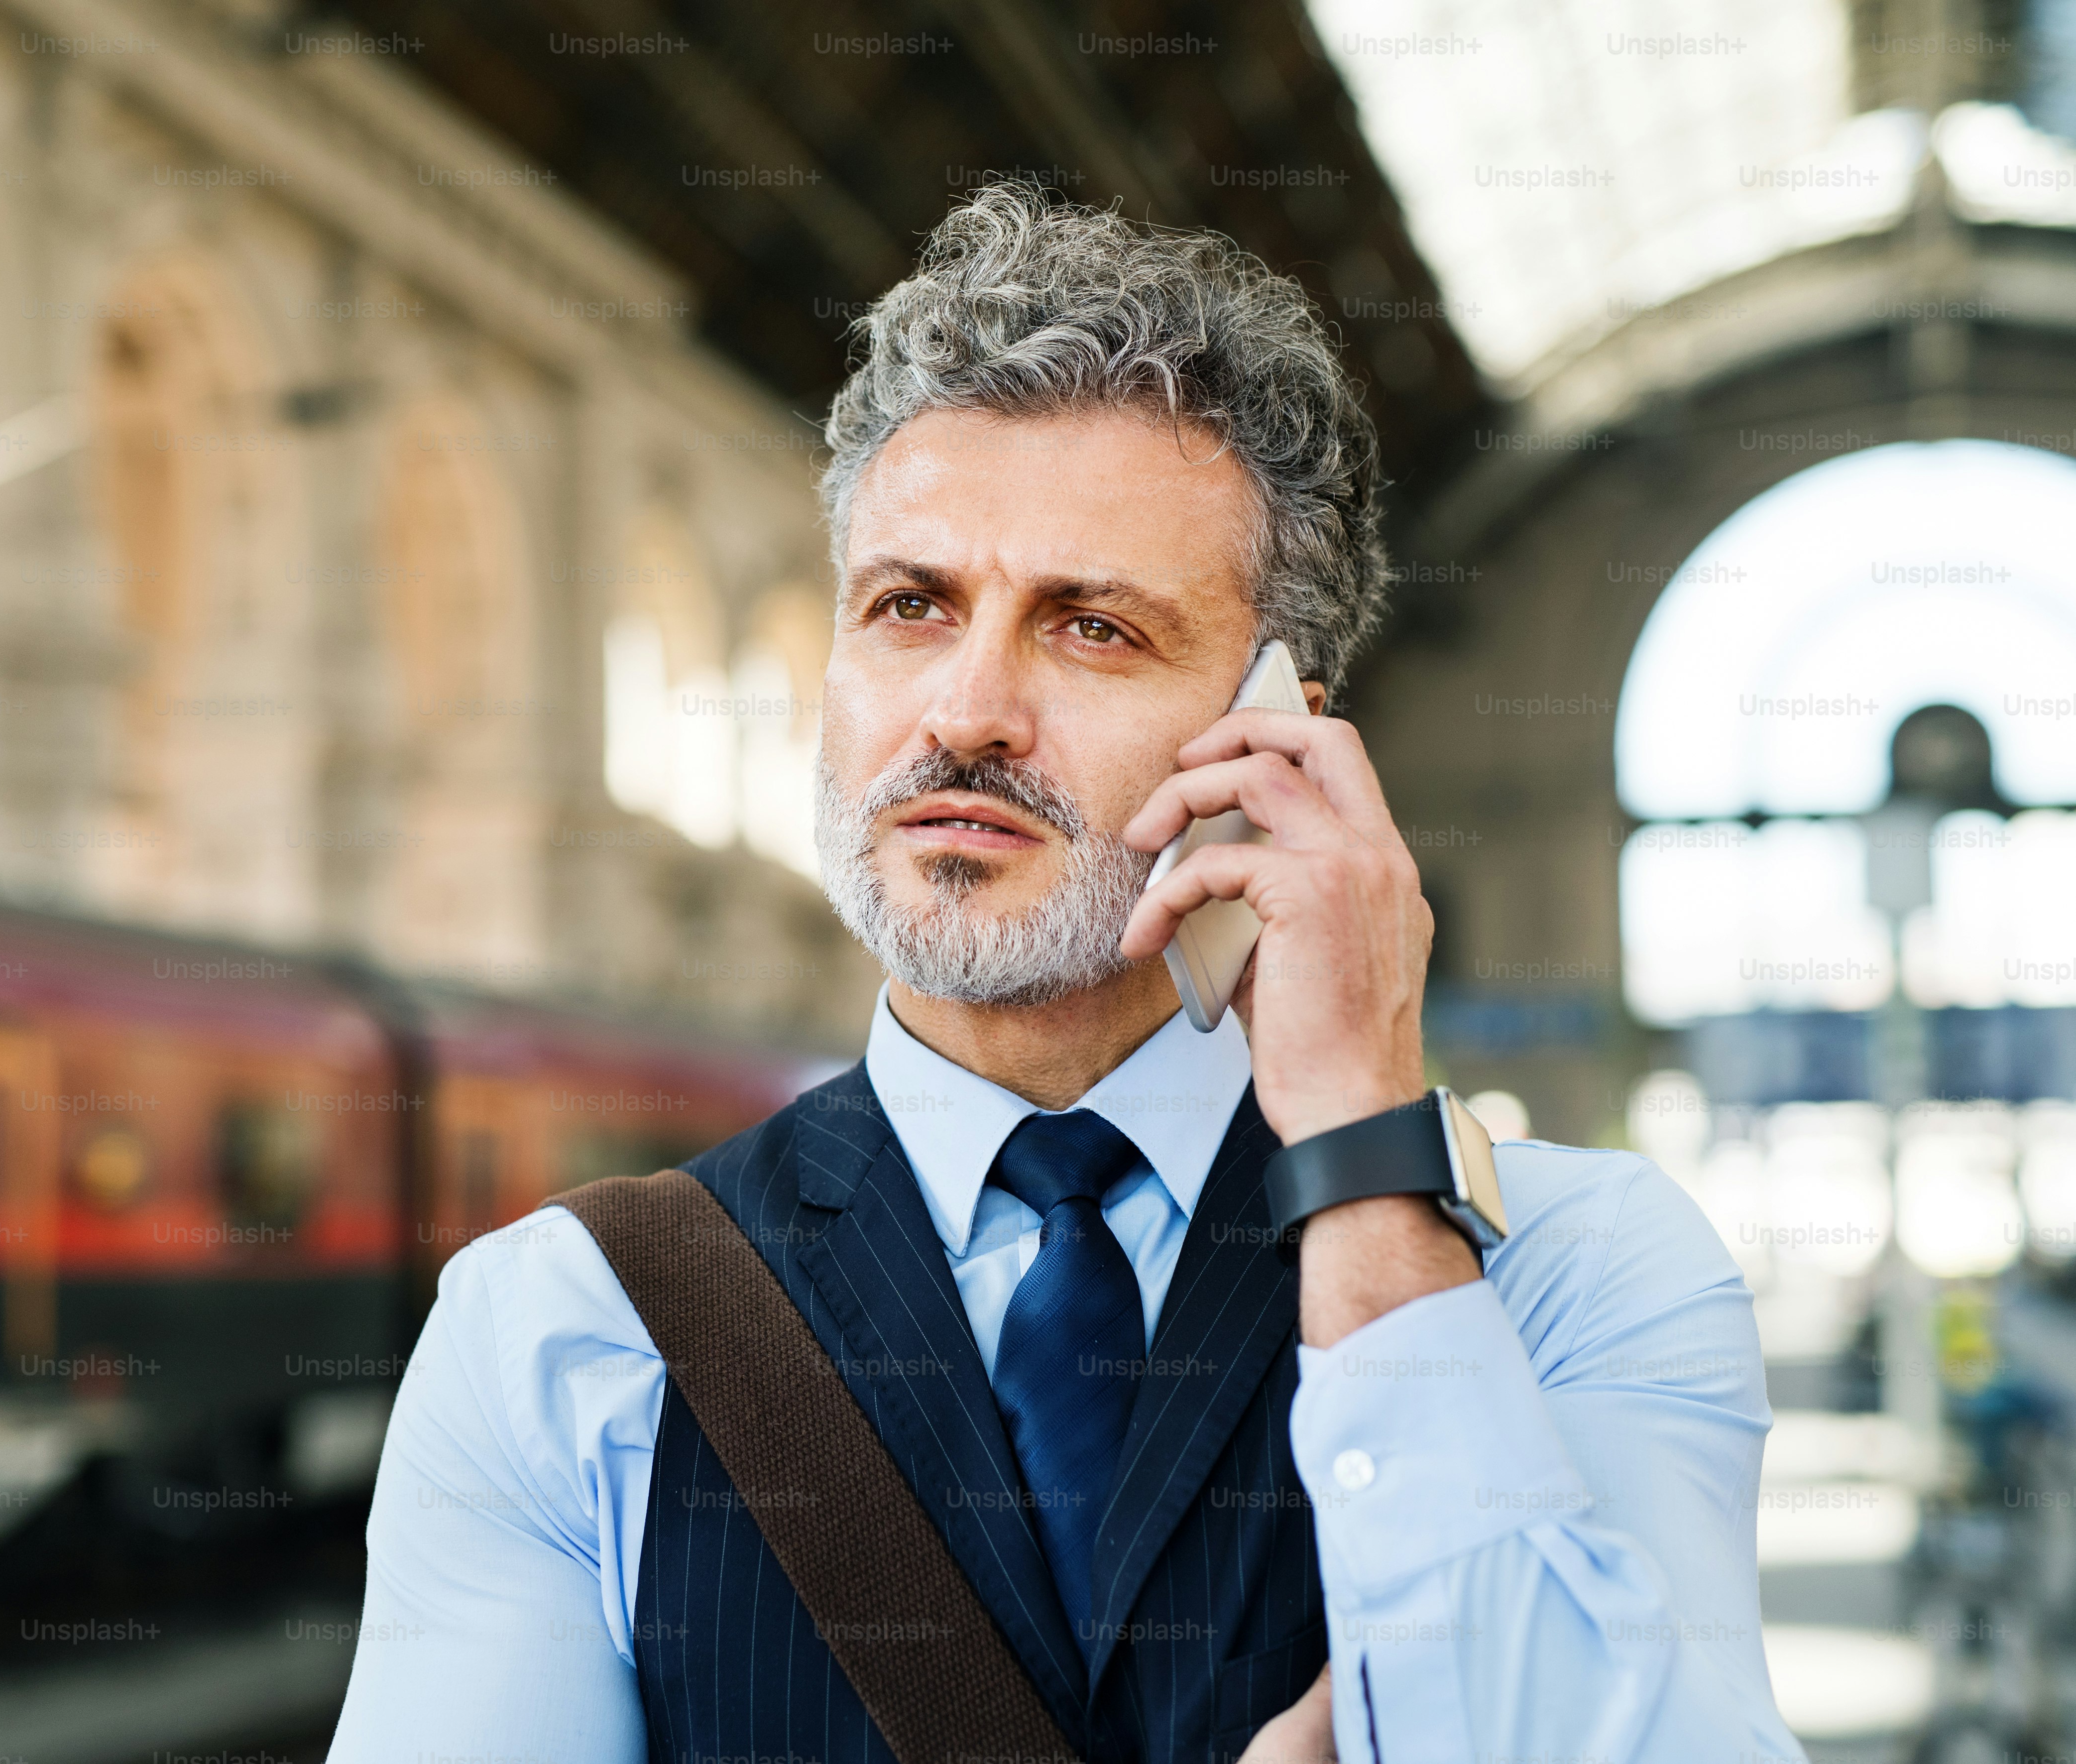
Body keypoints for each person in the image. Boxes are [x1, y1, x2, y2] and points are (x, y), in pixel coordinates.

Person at [330, 182, 1801, 1764]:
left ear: (1278, 726)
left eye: (1090, 629)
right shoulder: (560, 1327)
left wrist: (1369, 1158)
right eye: (909, 608)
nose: (964, 712)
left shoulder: (1581, 1277)